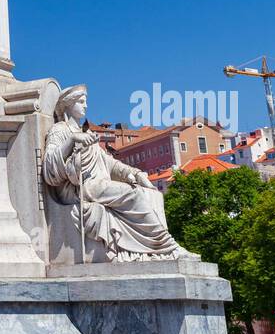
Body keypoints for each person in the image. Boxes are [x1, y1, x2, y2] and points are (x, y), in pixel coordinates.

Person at [43, 84, 190, 261]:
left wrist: (135, 173)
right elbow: (50, 167)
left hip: (98, 184)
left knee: (148, 192)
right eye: (81, 101)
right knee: (131, 194)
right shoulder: (60, 130)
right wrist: (72, 140)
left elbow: (109, 163)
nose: (85, 105)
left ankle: (152, 249)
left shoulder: (86, 132)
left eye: (86, 101)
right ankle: (167, 246)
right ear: (68, 104)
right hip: (80, 189)